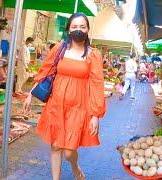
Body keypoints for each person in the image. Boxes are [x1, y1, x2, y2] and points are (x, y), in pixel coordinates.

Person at [23, 13, 106, 180]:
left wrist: (95, 115)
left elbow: (97, 84)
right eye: (74, 26)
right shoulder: (60, 48)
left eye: (82, 27)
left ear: (88, 30)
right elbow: (46, 71)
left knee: (68, 152)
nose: (78, 30)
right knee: (55, 146)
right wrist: (30, 94)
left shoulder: (93, 54)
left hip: (78, 107)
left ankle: (75, 167)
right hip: (56, 104)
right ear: (68, 29)